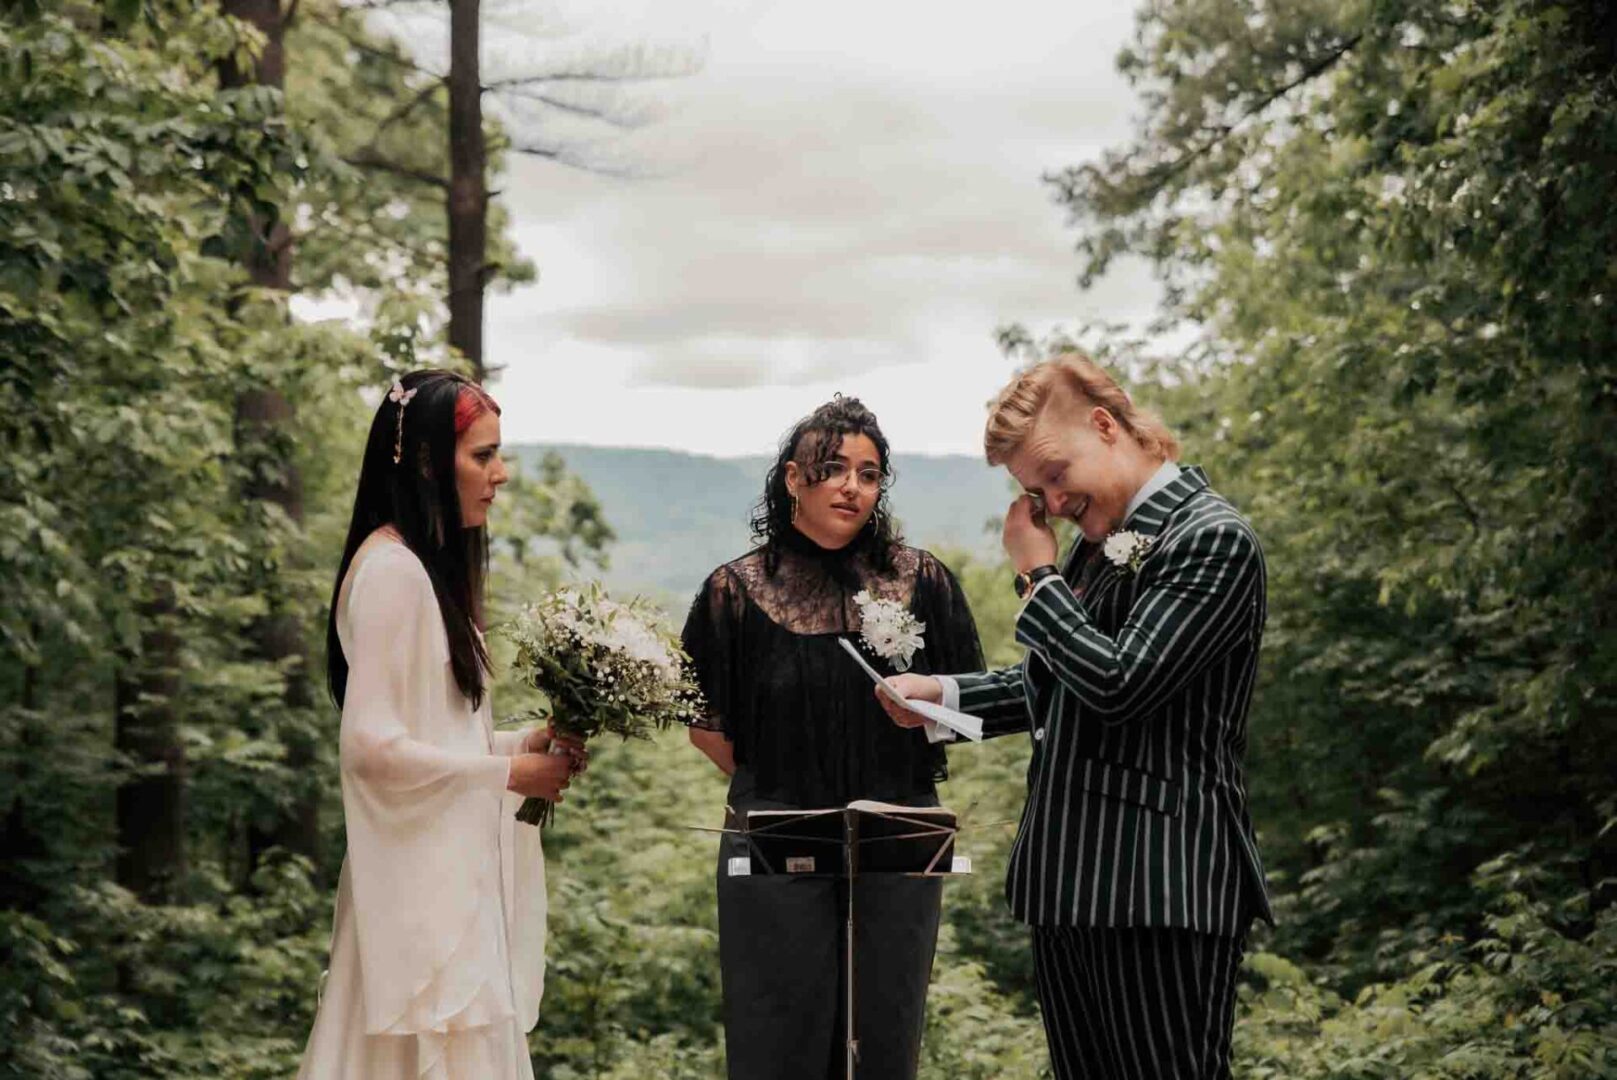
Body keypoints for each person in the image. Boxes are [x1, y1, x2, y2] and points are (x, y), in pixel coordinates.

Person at [881, 354, 1271, 1080]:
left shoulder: (1210, 538)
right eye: (1033, 490)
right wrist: (944, 696)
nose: (1050, 502)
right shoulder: (1097, 547)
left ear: (1105, 426)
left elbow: (1119, 683)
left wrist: (1035, 574)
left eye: (1054, 475)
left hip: (1162, 887)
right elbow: (1057, 683)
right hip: (1070, 882)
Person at [680, 395, 983, 1080]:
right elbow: (708, 730)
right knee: (777, 1031)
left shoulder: (921, 579)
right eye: (833, 468)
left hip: (895, 839)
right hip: (775, 840)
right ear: (793, 478)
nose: (852, 485)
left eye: (869, 473)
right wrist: (790, 786)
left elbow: (966, 707)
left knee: (885, 1031)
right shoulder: (734, 590)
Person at [298, 370, 584, 1080]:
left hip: (451, 886)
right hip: (419, 903)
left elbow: (430, 737)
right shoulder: (393, 572)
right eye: (482, 456)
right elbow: (369, 749)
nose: (501, 474)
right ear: (427, 462)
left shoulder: (424, 572)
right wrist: (507, 774)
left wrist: (522, 745)